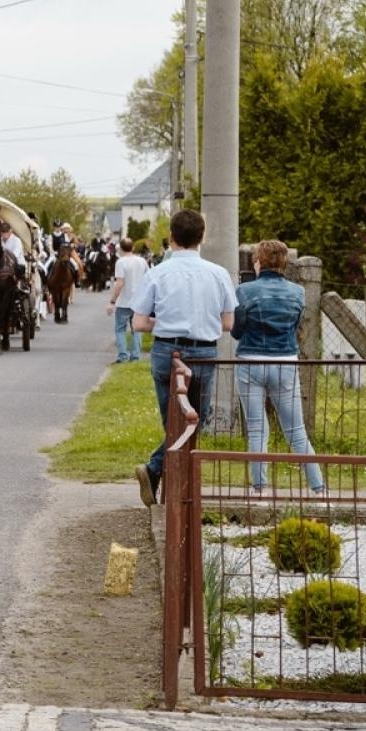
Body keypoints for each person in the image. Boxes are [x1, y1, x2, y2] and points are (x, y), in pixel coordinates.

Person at [129, 208, 237, 507]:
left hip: (167, 350)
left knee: (173, 423)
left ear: (171, 238)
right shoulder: (218, 274)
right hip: (203, 351)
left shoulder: (158, 273)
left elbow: (138, 323)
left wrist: (161, 323)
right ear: (201, 238)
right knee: (194, 422)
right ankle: (177, 486)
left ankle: (157, 471)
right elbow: (228, 323)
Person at [233, 239, 325, 497]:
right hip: (285, 361)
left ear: (258, 261)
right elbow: (297, 325)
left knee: (256, 428)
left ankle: (260, 488)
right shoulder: (297, 292)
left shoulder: (244, 291)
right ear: (285, 263)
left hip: (250, 361)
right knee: (296, 430)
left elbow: (237, 330)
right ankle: (318, 488)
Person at [107, 237, 149, 363]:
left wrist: (112, 301)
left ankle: (123, 356)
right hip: (139, 302)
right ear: (133, 247)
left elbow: (119, 283)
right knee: (136, 329)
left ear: (120, 248)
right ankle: (135, 357)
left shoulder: (121, 262)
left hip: (124, 302)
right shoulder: (142, 261)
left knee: (120, 329)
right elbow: (148, 279)